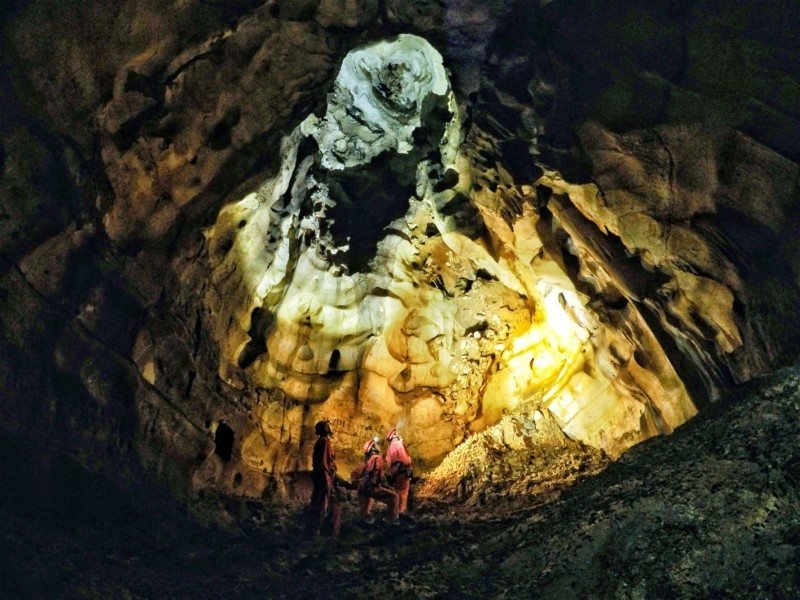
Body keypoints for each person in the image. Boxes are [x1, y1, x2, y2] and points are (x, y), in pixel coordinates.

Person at [305, 420, 341, 537]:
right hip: (324, 476)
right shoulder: (325, 441)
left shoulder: (321, 441)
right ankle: (315, 531)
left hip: (324, 476)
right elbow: (324, 462)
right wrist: (327, 479)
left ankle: (329, 531)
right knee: (321, 503)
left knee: (330, 503)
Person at [357, 438, 399, 520]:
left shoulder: (367, 460)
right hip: (372, 487)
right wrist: (383, 485)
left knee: (368, 502)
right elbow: (378, 474)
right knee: (395, 497)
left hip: (363, 486)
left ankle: (366, 518)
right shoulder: (377, 458)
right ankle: (392, 519)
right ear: (373, 447)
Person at [385, 429, 413, 514]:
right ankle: (401, 512)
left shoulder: (389, 448)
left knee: (398, 492)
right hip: (402, 471)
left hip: (396, 473)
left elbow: (388, 461)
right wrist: (409, 463)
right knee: (403, 493)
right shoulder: (399, 444)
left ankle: (396, 511)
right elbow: (405, 460)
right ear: (394, 435)